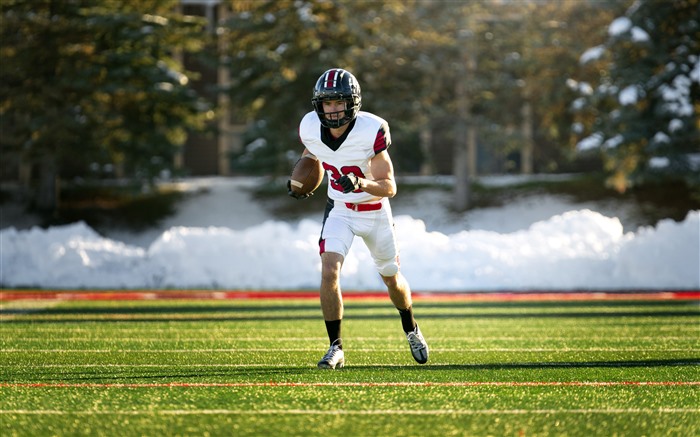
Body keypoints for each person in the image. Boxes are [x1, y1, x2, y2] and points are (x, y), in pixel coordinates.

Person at [287, 68, 429, 370]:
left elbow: (389, 186)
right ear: (318, 105)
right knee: (329, 270)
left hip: (375, 212)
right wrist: (299, 180)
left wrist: (362, 183)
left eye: (339, 102)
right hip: (339, 210)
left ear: (353, 103)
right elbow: (311, 156)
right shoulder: (311, 127)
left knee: (391, 279)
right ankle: (335, 347)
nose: (333, 109)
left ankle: (411, 328)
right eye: (327, 103)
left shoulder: (371, 129)